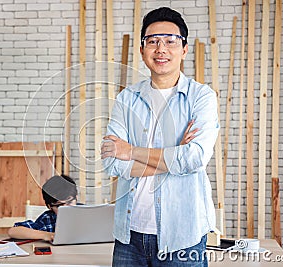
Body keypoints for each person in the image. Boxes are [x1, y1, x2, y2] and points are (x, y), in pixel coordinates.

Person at [101, 7, 219, 267]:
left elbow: (195, 158)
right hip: (128, 236)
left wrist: (130, 151)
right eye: (152, 41)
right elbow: (112, 162)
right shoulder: (127, 99)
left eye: (170, 41)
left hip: (182, 237)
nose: (161, 49)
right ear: (142, 50)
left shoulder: (202, 97)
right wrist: (173, 155)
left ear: (184, 49)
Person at [8, 174, 78, 241]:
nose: (65, 209)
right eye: (59, 206)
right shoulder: (47, 219)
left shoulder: (86, 213)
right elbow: (13, 231)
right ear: (49, 207)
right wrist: (47, 235)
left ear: (76, 198)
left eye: (69, 203)